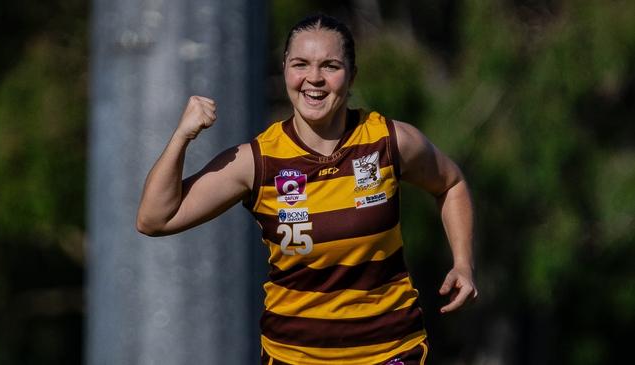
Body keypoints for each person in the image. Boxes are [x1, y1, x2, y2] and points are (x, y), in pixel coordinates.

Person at [136, 13, 477, 365]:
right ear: (285, 69)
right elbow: (155, 219)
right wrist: (181, 137)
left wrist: (463, 264)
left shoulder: (389, 141)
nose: (314, 78)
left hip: (390, 351)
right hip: (294, 356)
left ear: (352, 75)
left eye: (330, 66)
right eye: (301, 64)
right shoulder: (258, 161)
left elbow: (451, 183)